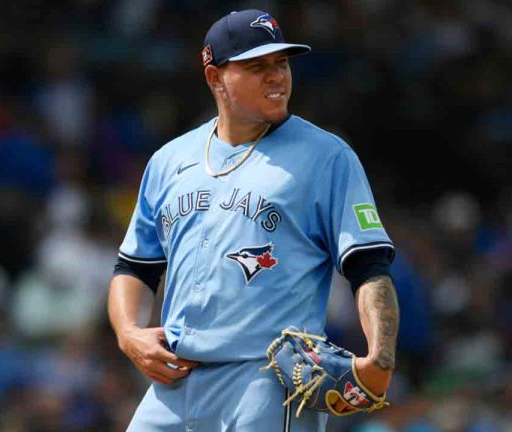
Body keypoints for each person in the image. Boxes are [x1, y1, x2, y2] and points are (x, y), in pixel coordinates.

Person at [108, 9, 399, 432]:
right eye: (257, 66)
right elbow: (135, 266)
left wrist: (381, 357)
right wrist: (129, 333)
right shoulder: (169, 160)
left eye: (281, 63)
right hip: (172, 384)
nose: (277, 76)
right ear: (215, 78)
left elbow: (369, 265)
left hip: (264, 381)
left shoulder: (327, 156)